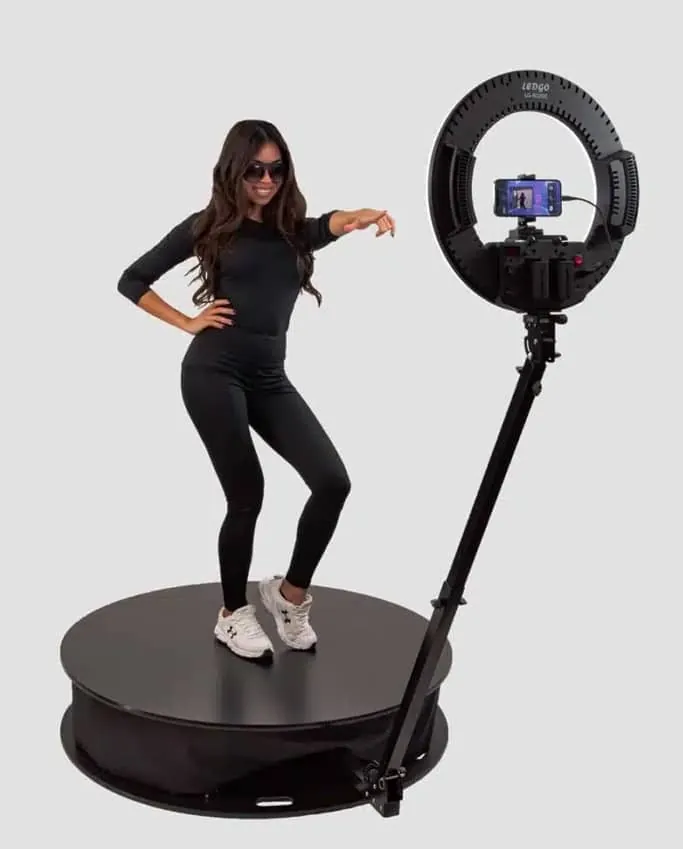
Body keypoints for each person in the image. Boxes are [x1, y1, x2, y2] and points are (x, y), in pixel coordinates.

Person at [117, 119, 395, 662]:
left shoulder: (293, 228)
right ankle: (231, 613)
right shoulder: (206, 226)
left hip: (270, 378)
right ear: (234, 170)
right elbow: (132, 279)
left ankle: (288, 596)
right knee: (248, 496)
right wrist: (185, 321)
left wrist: (358, 217)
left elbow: (328, 224)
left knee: (332, 482)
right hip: (212, 374)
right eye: (254, 170)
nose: (266, 179)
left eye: (276, 168)